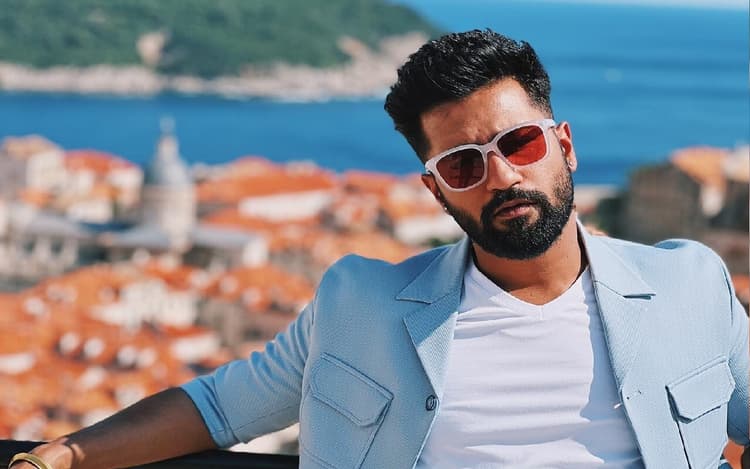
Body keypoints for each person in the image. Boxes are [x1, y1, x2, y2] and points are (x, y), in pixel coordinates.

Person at [12, 29, 748, 469]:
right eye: (463, 164)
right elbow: (215, 407)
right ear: (436, 190)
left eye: (519, 143)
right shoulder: (360, 304)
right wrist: (60, 457)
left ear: (565, 146)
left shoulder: (689, 285)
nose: (501, 176)